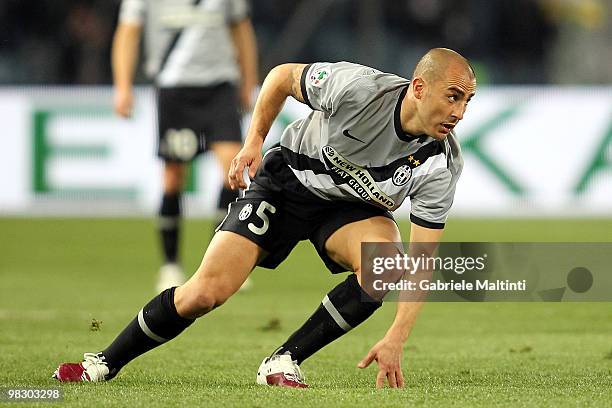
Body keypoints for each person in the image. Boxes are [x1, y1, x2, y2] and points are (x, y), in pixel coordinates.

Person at [54, 48, 476, 388]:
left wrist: (396, 338)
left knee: (388, 265)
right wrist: (253, 141)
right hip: (287, 181)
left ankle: (284, 360)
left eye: (467, 101)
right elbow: (280, 77)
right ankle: (104, 362)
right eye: (453, 96)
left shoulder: (441, 164)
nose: (459, 112)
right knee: (204, 293)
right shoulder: (358, 89)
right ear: (419, 87)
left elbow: (422, 261)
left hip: (350, 210)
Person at [111, 0, 258, 291]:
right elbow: (127, 32)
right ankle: (170, 265)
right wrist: (123, 86)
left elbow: (241, 29)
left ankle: (221, 262)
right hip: (174, 86)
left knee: (232, 169)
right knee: (173, 176)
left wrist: (249, 81)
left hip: (220, 85)